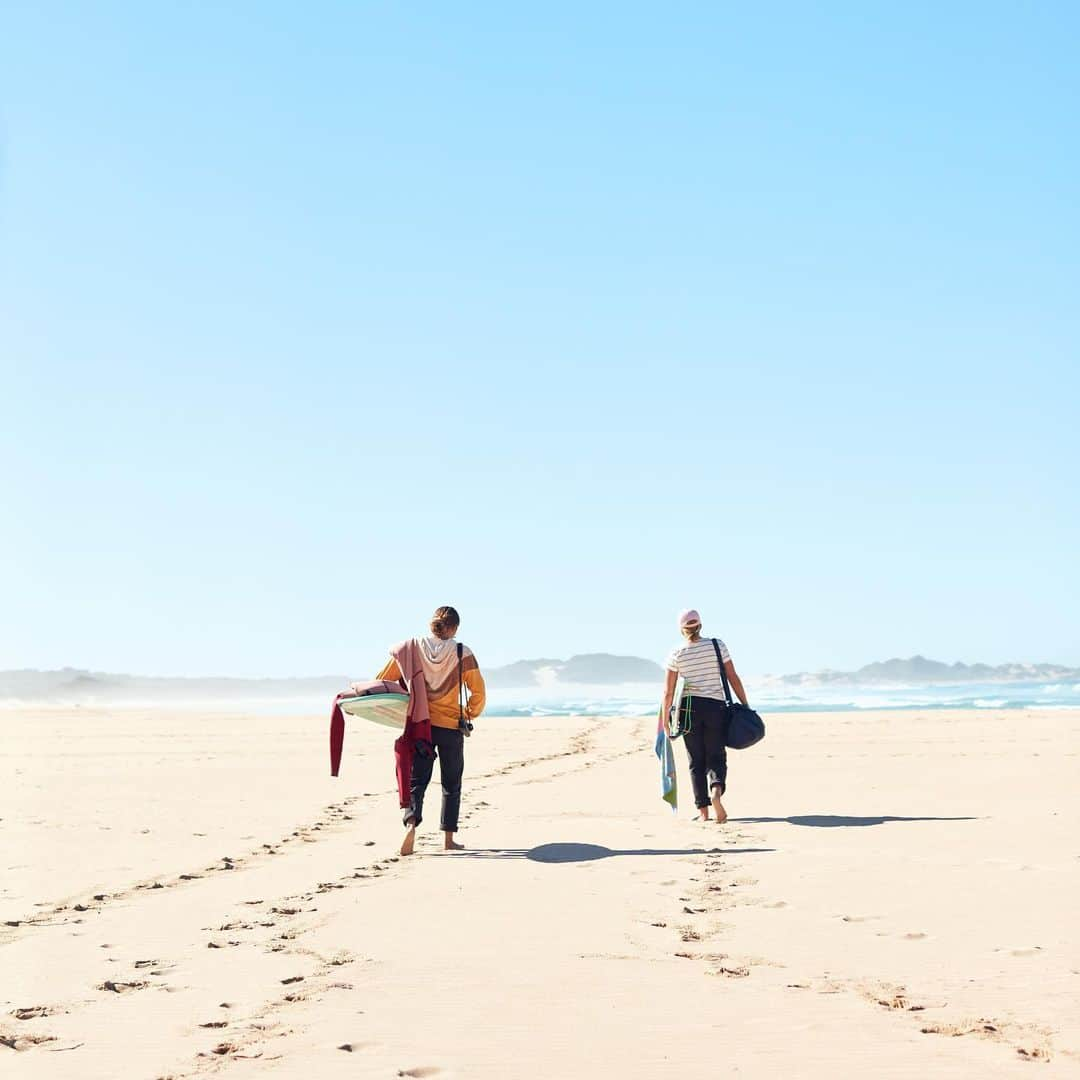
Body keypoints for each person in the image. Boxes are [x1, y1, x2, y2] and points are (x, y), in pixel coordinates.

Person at [376, 606, 486, 856]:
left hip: (421, 725)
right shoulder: (462, 652)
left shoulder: (412, 649)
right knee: (451, 782)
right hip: (450, 727)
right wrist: (468, 712)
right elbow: (478, 693)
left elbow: (384, 679)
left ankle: (411, 826)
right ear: (455, 628)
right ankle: (448, 839)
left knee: (418, 780)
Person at [659, 609, 751, 824]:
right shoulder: (717, 646)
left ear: (682, 629)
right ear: (700, 625)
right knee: (716, 755)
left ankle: (703, 812)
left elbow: (669, 691)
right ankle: (716, 791)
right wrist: (745, 703)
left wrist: (666, 721)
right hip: (715, 708)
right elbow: (732, 677)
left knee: (695, 760)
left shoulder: (676, 653)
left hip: (688, 710)